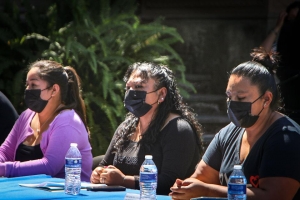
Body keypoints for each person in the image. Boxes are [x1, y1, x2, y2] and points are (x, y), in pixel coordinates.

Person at [169, 49, 300, 200]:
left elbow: (274, 196)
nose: (233, 104)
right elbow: (200, 179)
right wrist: (185, 188)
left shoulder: (286, 138)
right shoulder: (227, 134)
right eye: (229, 97)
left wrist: (208, 191)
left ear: (266, 99)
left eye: (241, 97)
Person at [90, 62, 202, 195]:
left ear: (161, 94)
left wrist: (124, 180)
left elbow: (170, 183)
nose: (131, 93)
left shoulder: (179, 130)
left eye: (139, 87)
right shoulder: (126, 127)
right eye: (128, 88)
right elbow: (104, 164)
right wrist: (99, 174)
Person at [0, 60, 93, 181]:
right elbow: (5, 152)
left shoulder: (68, 121)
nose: (28, 90)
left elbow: (49, 166)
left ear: (54, 90)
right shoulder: (27, 116)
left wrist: (5, 169)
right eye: (27, 85)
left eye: (33, 85)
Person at [260, 1, 300, 124]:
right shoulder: (281, 47)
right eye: (291, 19)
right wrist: (278, 27)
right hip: (287, 106)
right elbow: (261, 54)